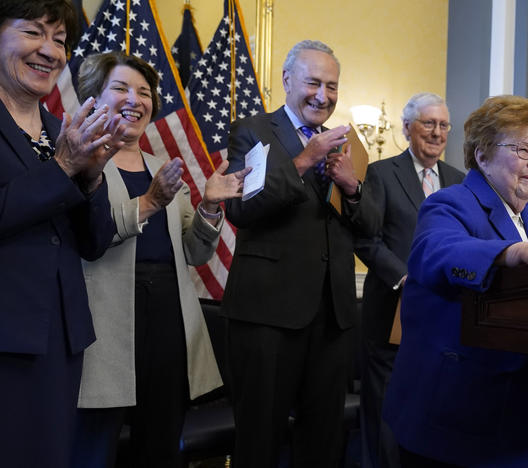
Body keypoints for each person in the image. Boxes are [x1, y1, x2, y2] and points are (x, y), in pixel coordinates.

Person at [382, 95, 528, 467]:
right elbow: (437, 252)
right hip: (460, 424)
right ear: (482, 155)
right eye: (523, 149)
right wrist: (511, 253)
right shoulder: (449, 203)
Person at [70, 52, 250, 468]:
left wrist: (208, 206)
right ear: (94, 97)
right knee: (95, 447)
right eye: (121, 88)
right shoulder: (78, 162)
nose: (135, 99)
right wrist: (149, 203)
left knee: (162, 444)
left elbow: (195, 252)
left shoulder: (162, 166)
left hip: (169, 317)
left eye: (145, 92)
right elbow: (88, 237)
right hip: (104, 322)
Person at [222, 39, 380, 468]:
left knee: (324, 440)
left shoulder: (350, 144)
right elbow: (241, 209)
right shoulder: (252, 130)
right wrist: (304, 161)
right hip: (267, 315)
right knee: (260, 437)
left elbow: (370, 228)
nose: (323, 96)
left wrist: (351, 187)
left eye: (332, 86)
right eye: (313, 83)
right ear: (288, 80)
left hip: (333, 317)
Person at [0, 1, 126, 467]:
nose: (50, 51)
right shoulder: (64, 148)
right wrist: (64, 168)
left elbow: (93, 243)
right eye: (34, 33)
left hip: (59, 341)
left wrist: (90, 179)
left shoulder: (63, 130)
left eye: (60, 40)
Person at [355, 92, 464, 468]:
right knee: (385, 409)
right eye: (428, 123)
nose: (437, 133)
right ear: (406, 128)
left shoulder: (458, 181)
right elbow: (366, 239)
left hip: (442, 316)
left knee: (432, 406)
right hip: (391, 310)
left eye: (443, 125)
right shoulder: (381, 173)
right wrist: (404, 280)